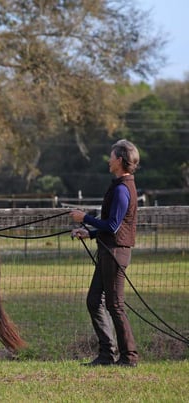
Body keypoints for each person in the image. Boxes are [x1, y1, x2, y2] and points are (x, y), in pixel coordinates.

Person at [70, 139, 140, 367]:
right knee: (94, 300)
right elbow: (110, 226)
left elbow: (112, 226)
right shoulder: (121, 186)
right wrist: (89, 233)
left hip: (115, 253)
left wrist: (85, 219)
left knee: (115, 304)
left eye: (111, 157)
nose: (109, 160)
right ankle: (106, 354)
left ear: (119, 160)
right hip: (109, 251)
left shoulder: (122, 189)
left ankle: (129, 356)